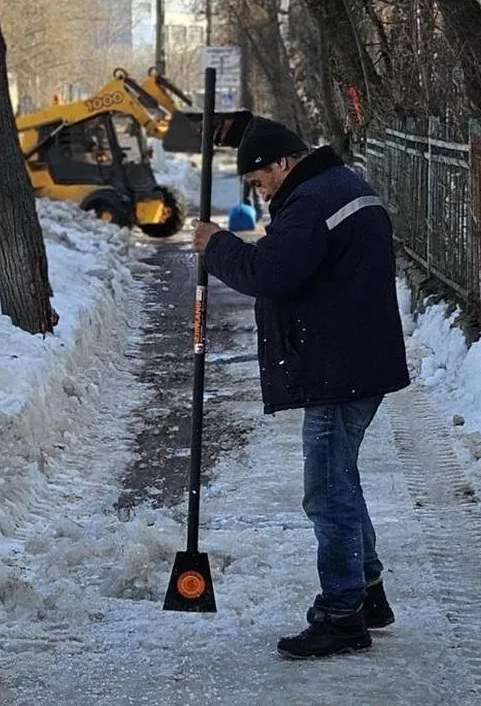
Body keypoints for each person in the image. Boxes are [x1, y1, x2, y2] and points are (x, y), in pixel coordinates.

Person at [192, 116, 410, 659]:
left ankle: (342, 616)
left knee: (327, 491)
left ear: (283, 164)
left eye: (260, 180)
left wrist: (216, 245)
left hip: (341, 368)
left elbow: (269, 273)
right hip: (355, 359)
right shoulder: (339, 186)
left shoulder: (312, 202)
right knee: (340, 480)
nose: (259, 191)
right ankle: (368, 595)